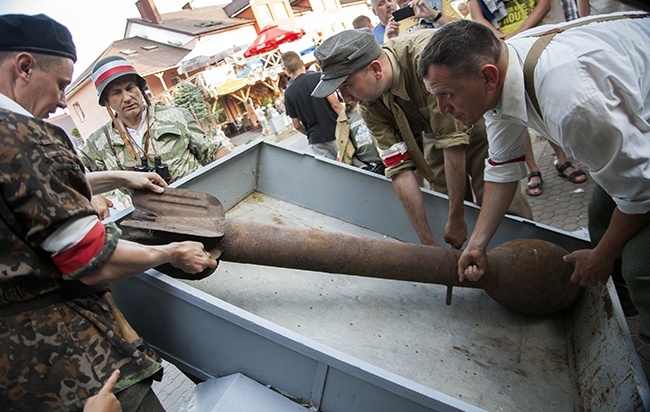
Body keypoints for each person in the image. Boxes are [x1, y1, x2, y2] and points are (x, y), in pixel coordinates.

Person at [0, 13, 217, 411]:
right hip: (58, 353)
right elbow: (89, 258)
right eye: (62, 84)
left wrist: (121, 179)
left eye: (130, 88)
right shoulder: (23, 136)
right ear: (25, 67)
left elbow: (35, 193)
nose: (63, 101)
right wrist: (169, 254)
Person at [417, 16, 649, 336]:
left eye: (448, 95)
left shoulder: (571, 104)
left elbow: (642, 191)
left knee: (641, 267)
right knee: (600, 217)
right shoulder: (500, 75)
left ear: (487, 77)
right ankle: (626, 308)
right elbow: (502, 167)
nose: (442, 109)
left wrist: (603, 255)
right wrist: (477, 244)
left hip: (641, 150)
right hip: (633, 143)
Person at [312, 29, 532, 248]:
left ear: (376, 69)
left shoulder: (426, 60)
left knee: (500, 207)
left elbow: (453, 141)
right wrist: (428, 242)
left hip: (474, 118)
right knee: (443, 206)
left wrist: (457, 218)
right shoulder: (368, 105)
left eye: (347, 86)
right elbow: (399, 169)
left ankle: (525, 254)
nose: (345, 98)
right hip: (434, 137)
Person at [469, 0, 588, 196]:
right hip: (500, 45)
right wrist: (498, 37)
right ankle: (532, 168)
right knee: (513, 109)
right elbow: (477, 16)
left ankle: (561, 158)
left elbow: (544, 4)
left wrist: (521, 31)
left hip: (534, 40)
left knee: (543, 103)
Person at [79, 55, 223, 217]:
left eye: (130, 88)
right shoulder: (98, 143)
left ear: (140, 89)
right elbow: (69, 174)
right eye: (116, 93)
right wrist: (92, 195)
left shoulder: (176, 116)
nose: (126, 98)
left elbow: (214, 152)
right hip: (149, 223)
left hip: (199, 207)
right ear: (106, 101)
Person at [281, 51, 342, 160]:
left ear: (287, 71)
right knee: (353, 166)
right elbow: (335, 104)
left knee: (331, 173)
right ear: (302, 63)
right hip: (336, 131)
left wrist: (309, 134)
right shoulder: (319, 78)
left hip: (316, 139)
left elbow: (296, 125)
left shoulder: (289, 93)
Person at [335, 101, 384, 174]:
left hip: (384, 159)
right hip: (366, 166)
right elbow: (345, 151)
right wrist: (362, 166)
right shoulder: (343, 119)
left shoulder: (369, 107)